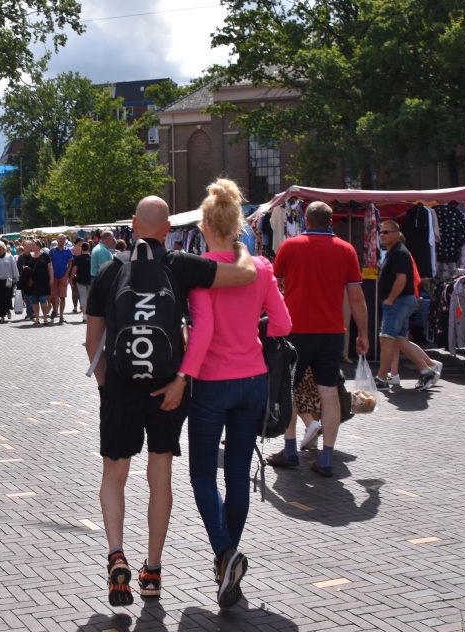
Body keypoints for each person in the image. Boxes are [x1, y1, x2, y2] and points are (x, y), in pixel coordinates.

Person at [85, 195, 257, 607]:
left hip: (122, 389)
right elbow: (244, 276)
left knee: (114, 475)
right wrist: (242, 245)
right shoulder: (180, 265)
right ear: (167, 230)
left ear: (132, 224)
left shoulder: (110, 271)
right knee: (159, 474)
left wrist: (109, 388)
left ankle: (115, 556)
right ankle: (153, 570)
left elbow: (93, 342)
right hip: (169, 388)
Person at [167, 179, 291, 609]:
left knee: (202, 474)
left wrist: (185, 374)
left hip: (212, 382)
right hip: (254, 381)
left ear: (204, 225)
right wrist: (252, 334)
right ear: (238, 224)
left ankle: (225, 553)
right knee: (237, 473)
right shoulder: (260, 268)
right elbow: (282, 325)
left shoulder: (203, 271)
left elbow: (201, 333)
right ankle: (228, 564)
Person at [266, 201, 369, 478]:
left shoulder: (291, 246)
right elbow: (356, 297)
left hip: (296, 330)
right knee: (329, 392)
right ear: (331, 221)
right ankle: (326, 457)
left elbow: (273, 288)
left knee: (287, 389)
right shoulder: (346, 250)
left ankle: (289, 450)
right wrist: (363, 333)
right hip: (332, 332)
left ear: (305, 220)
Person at [374, 220, 441, 392]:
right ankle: (428, 369)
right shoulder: (393, 252)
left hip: (399, 301)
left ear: (396, 233)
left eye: (386, 232)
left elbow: (402, 279)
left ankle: (382, 378)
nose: (382, 235)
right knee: (399, 339)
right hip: (400, 301)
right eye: (381, 232)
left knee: (387, 338)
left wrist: (390, 299)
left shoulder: (400, 253)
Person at [0, 241, 19, 322]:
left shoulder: (10, 257)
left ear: (4, 248)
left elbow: (14, 268)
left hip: (8, 281)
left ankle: (8, 309)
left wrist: (16, 278)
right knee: (0, 299)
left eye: (1, 248)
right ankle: (2, 316)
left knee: (8, 297)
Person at [24, 240, 52, 326]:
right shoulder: (29, 256)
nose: (32, 246)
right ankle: (36, 319)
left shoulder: (45, 256)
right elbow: (26, 268)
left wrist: (52, 279)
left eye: (33, 245)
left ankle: (45, 318)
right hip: (32, 283)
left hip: (43, 282)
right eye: (31, 245)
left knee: (43, 300)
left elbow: (50, 268)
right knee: (34, 301)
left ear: (39, 246)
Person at [48, 234, 73, 323]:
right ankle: (55, 309)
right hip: (53, 276)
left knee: (62, 297)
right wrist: (50, 275)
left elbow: (70, 263)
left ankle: (61, 316)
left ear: (65, 240)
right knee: (52, 296)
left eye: (63, 239)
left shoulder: (68, 251)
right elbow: (49, 264)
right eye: (60, 239)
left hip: (63, 276)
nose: (62, 240)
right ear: (57, 240)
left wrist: (67, 274)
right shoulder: (52, 251)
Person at [72, 241, 93, 319]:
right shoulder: (92, 257)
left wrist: (71, 278)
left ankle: (84, 315)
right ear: (89, 248)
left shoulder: (78, 258)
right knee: (89, 297)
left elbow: (74, 269)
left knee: (82, 296)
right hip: (90, 279)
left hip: (80, 279)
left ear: (82, 248)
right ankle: (89, 313)